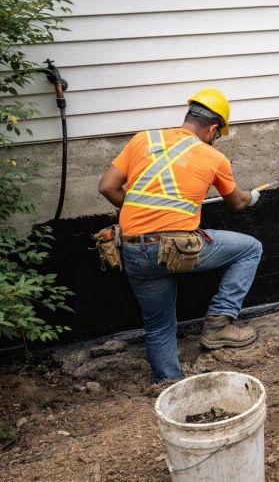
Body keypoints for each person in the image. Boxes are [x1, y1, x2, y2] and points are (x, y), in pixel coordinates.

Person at [98, 88, 263, 382]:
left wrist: (142, 208)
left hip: (132, 248)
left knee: (159, 325)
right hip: (179, 248)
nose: (216, 138)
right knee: (250, 248)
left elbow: (107, 187)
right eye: (218, 134)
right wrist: (253, 197)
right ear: (213, 128)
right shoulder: (213, 157)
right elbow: (236, 203)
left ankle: (169, 384)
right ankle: (218, 325)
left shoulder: (143, 139)